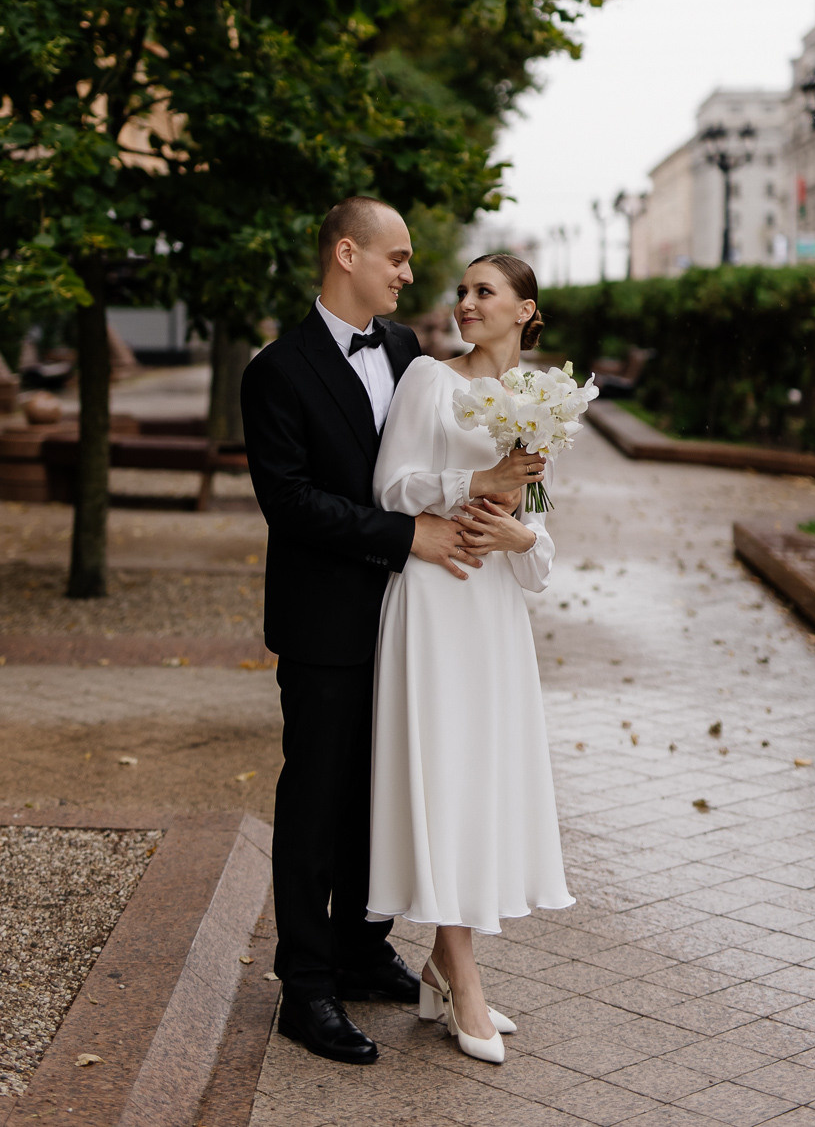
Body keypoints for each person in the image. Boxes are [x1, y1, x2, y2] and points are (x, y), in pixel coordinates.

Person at [241, 196, 485, 1066]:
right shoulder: (276, 371)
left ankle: (359, 948)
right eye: (398, 258)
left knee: (382, 794)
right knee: (316, 801)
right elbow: (291, 503)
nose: (410, 274)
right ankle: (306, 986)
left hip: (409, 617)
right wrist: (405, 535)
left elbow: (423, 461)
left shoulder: (408, 351)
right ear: (348, 255)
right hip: (324, 621)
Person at [367, 252, 574, 1064]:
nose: (465, 303)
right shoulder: (428, 380)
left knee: (479, 781)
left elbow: (538, 540)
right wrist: (476, 481)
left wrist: (522, 536)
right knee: (443, 777)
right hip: (433, 598)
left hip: (493, 614)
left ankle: (440, 967)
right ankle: (464, 977)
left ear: (525, 311)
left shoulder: (539, 403)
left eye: (484, 292)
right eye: (462, 291)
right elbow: (390, 488)